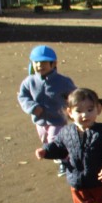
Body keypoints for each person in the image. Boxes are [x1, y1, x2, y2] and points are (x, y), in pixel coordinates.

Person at [18, 45, 76, 177]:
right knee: (45, 139)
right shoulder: (29, 81)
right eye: (36, 62)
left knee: (54, 140)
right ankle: (56, 153)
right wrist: (32, 107)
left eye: (44, 62)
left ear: (53, 64)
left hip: (58, 119)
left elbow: (75, 94)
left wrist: (75, 108)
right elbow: (22, 97)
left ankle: (65, 161)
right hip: (39, 120)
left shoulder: (63, 81)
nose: (40, 65)